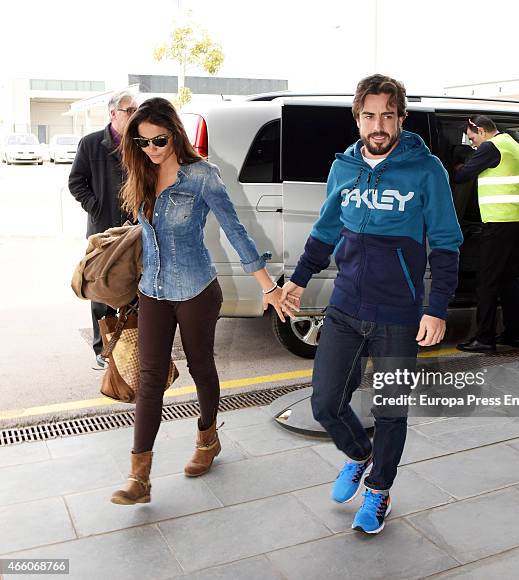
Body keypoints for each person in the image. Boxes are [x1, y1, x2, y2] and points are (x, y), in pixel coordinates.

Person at [280, 75, 463, 534]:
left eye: (387, 114)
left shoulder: (426, 170)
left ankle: (379, 491)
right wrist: (299, 281)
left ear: (401, 117)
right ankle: (361, 453)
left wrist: (436, 306)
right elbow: (325, 231)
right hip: (345, 306)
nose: (378, 125)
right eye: (369, 115)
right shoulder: (343, 167)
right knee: (325, 403)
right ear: (357, 118)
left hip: (400, 313)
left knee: (391, 409)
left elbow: (445, 243)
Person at [110, 97, 285, 505]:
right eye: (142, 142)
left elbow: (237, 231)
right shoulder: (140, 174)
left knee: (201, 366)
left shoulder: (202, 176)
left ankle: (208, 440)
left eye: (159, 140)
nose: (151, 149)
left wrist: (268, 286)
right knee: (150, 380)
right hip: (152, 291)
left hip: (196, 290)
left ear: (175, 133)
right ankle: (140, 477)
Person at [68, 90, 138, 369]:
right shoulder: (91, 144)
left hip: (133, 232)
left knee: (131, 290)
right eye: (129, 110)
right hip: (103, 232)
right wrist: (96, 207)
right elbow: (76, 182)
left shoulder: (139, 143)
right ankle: (103, 349)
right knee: (101, 291)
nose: (135, 115)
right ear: (113, 114)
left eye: (136, 110)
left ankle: (128, 345)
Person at [454, 115, 519, 353]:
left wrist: (458, 166)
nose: (473, 144)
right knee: (507, 280)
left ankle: (484, 338)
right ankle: (513, 334)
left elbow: (461, 176)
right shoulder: (512, 144)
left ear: (481, 130)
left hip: (499, 223)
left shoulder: (491, 146)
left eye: (472, 137)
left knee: (486, 282)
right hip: (518, 220)